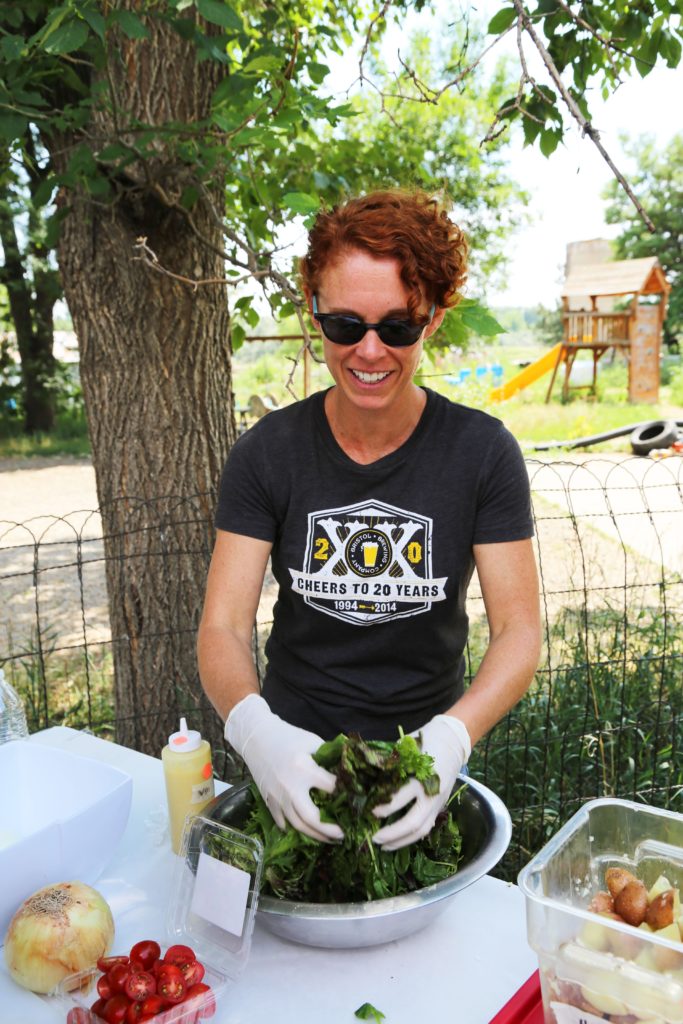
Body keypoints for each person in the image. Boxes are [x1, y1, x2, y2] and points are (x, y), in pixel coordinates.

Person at [198, 189, 541, 851]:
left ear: (433, 319)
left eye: (398, 326)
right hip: (293, 756)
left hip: (421, 767)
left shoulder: (481, 452)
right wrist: (255, 731)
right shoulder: (267, 452)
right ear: (314, 310)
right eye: (345, 326)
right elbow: (221, 625)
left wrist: (449, 740)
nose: (370, 351)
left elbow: (519, 629)